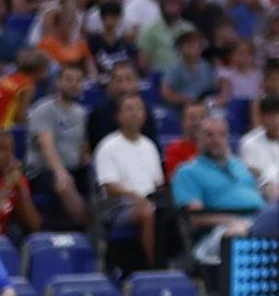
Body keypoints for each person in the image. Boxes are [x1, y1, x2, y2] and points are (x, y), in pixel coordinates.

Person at [171, 108, 265, 263]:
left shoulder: (239, 165)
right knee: (240, 232)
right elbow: (196, 218)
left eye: (221, 135)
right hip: (216, 233)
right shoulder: (187, 172)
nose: (216, 140)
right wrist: (233, 220)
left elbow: (259, 196)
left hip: (256, 221)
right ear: (198, 138)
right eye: (209, 135)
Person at [92, 90, 168, 266]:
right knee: (147, 211)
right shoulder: (108, 146)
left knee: (171, 210)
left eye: (139, 109)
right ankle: (153, 267)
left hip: (150, 199)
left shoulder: (150, 145)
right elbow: (109, 186)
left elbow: (158, 183)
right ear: (118, 116)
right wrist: (137, 197)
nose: (135, 113)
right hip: (119, 206)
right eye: (129, 109)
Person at [24, 59, 91, 228]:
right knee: (65, 184)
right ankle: (88, 232)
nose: (74, 84)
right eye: (69, 79)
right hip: (44, 171)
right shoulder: (43, 109)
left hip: (75, 168)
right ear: (58, 82)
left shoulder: (81, 113)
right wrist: (60, 172)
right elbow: (47, 145)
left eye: (78, 80)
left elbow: (83, 146)